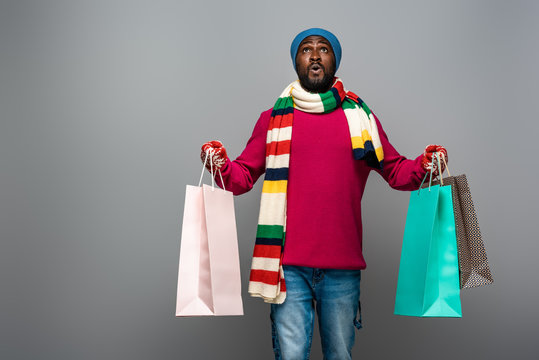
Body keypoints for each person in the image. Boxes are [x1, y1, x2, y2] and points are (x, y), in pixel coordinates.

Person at [199, 28, 447, 360]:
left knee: (340, 356)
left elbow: (397, 171)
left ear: (334, 60)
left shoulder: (360, 118)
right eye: (306, 49)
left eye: (324, 49)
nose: (315, 55)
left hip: (342, 266)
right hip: (287, 267)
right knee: (291, 356)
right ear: (296, 61)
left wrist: (427, 164)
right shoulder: (273, 120)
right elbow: (241, 177)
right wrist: (219, 164)